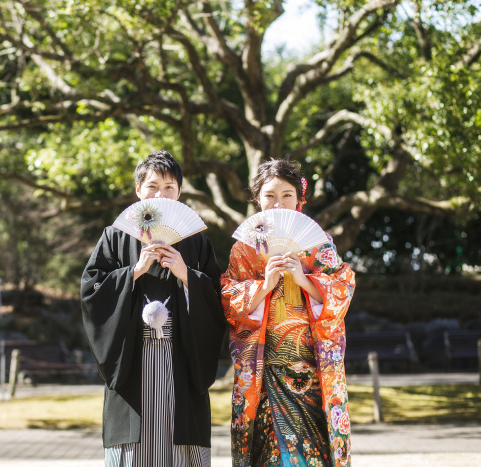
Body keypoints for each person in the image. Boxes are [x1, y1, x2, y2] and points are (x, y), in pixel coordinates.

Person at [81, 150, 227, 467]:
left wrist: (187, 275)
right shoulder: (115, 236)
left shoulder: (196, 240)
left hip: (181, 360)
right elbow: (91, 292)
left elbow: (219, 298)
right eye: (152, 186)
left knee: (180, 451)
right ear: (138, 191)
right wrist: (133, 271)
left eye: (169, 187)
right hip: (133, 361)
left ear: (179, 193)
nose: (160, 194)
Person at [221, 159, 356, 467]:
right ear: (257, 199)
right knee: (270, 455)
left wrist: (304, 279)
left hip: (313, 370)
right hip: (265, 369)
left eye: (286, 194)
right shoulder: (244, 248)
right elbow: (228, 298)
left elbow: (343, 286)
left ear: (299, 198)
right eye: (269, 195)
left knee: (314, 454)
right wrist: (265, 285)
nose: (278, 202)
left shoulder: (318, 244)